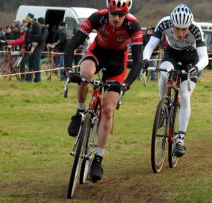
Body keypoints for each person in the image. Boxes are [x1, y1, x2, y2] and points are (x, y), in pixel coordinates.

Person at [64, 0, 143, 182]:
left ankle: (98, 159)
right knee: (85, 74)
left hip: (117, 63)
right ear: (108, 10)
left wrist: (127, 84)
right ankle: (79, 112)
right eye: (114, 13)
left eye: (121, 15)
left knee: (107, 109)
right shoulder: (97, 18)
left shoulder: (133, 25)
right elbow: (72, 44)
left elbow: (138, 61)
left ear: (126, 14)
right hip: (98, 52)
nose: (117, 18)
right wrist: (68, 70)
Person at [143, 4, 208, 157]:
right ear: (171, 23)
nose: (179, 33)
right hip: (171, 54)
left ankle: (180, 140)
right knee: (165, 74)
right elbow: (150, 45)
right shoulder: (164, 23)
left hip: (191, 59)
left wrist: (197, 68)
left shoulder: (196, 29)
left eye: (184, 29)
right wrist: (145, 60)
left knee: (185, 95)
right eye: (177, 28)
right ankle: (163, 108)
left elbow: (205, 57)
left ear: (189, 26)